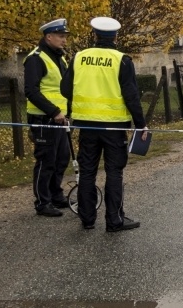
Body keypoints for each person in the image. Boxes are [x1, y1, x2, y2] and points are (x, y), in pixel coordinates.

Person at [61, 17, 147, 232]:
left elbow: (65, 90)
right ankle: (114, 220)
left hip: (86, 126)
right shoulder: (122, 60)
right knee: (114, 172)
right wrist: (140, 124)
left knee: (88, 171)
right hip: (113, 126)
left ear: (95, 35)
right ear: (115, 37)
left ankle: (87, 219)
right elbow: (131, 95)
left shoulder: (79, 58)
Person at [24, 18, 71, 217]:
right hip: (44, 119)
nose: (64, 41)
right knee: (46, 161)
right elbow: (31, 91)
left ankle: (56, 195)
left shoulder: (59, 57)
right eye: (61, 37)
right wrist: (54, 111)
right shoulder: (36, 58)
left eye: (65, 37)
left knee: (62, 158)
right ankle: (42, 202)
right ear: (48, 37)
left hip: (59, 118)